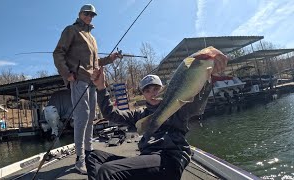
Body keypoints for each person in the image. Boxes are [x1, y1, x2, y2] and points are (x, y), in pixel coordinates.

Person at [87, 50, 228, 180]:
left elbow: (196, 100)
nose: (152, 93)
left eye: (156, 88)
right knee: (92, 157)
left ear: (164, 89)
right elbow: (111, 114)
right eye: (147, 90)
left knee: (107, 171)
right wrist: (100, 87)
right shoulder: (140, 114)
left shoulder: (178, 106)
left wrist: (211, 77)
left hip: (170, 159)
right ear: (143, 94)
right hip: (146, 160)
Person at [53, 4, 120, 174]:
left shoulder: (92, 38)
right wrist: (67, 73)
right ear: (79, 14)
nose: (89, 16)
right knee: (82, 117)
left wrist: (111, 59)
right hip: (78, 80)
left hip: (91, 82)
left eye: (92, 15)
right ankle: (79, 159)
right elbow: (58, 53)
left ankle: (89, 154)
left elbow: (95, 63)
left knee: (91, 117)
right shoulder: (71, 30)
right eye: (86, 13)